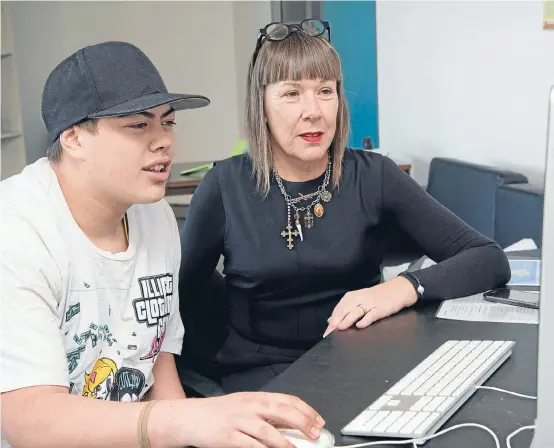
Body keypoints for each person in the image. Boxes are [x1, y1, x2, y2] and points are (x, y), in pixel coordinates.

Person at [0, 41, 326, 448]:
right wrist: (189, 420)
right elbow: (29, 423)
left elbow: (157, 361)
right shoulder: (16, 232)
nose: (164, 142)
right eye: (139, 125)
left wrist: (195, 430)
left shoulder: (153, 216)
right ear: (74, 139)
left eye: (167, 123)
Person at [178, 20, 511, 393]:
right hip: (263, 372)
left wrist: (401, 288)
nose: (313, 111)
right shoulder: (224, 187)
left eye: (325, 90)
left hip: (364, 363)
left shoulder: (374, 175)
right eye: (291, 94)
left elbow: (489, 258)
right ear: (262, 106)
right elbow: (184, 302)